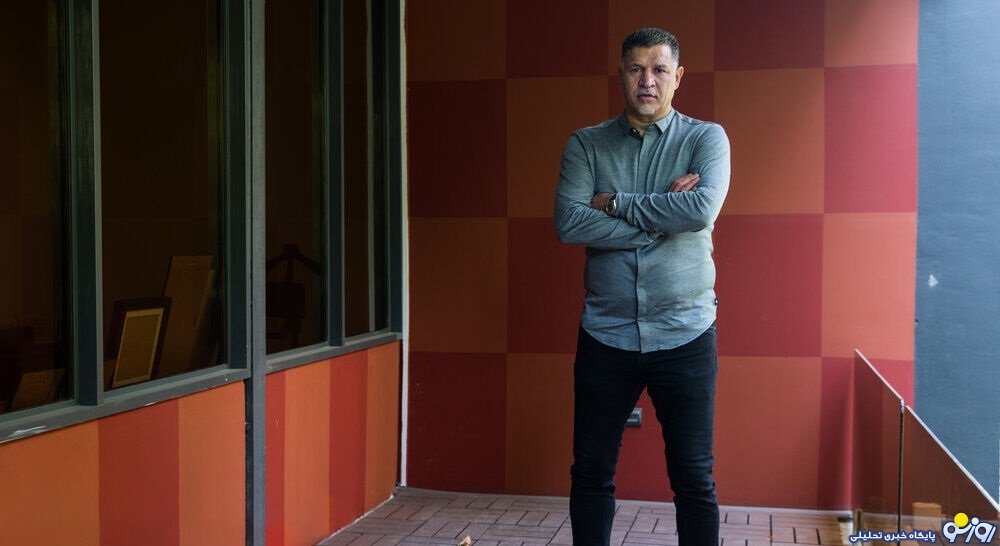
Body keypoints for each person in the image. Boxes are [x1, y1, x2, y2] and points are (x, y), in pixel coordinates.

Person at [553, 28, 731, 546]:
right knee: (590, 471)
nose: (646, 81)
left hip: (685, 332)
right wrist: (662, 216)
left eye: (658, 70)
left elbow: (700, 210)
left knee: (694, 477)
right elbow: (569, 223)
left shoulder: (705, 139)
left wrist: (614, 202)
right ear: (622, 75)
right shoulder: (586, 144)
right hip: (606, 333)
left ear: (678, 78)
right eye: (636, 69)